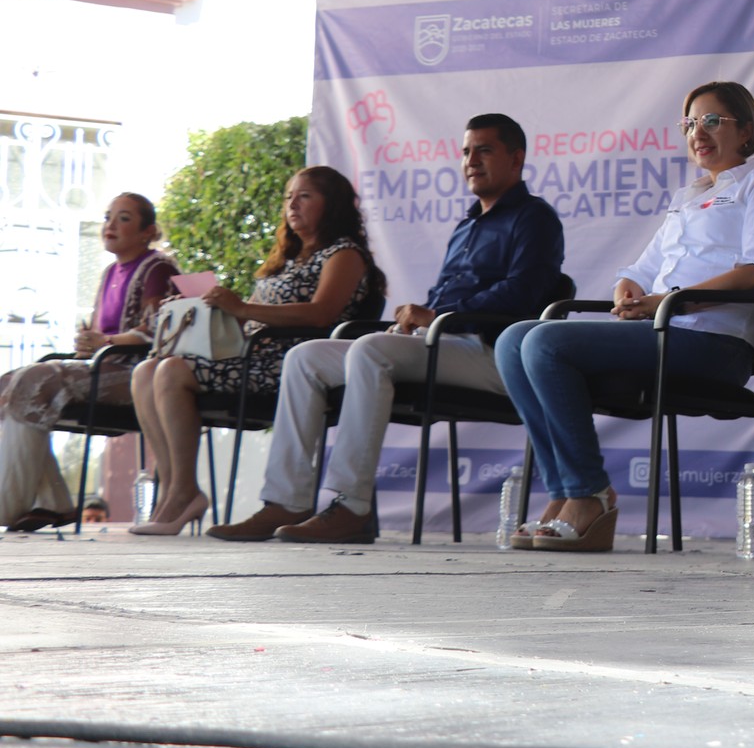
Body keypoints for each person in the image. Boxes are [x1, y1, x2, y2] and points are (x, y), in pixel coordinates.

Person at [209, 115, 564, 544]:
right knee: (305, 357)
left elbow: (525, 293)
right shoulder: (466, 226)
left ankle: (351, 505)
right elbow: (441, 299)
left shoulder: (534, 218)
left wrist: (437, 318)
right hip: (444, 343)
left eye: (484, 150)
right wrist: (417, 322)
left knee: (371, 349)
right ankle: (286, 500)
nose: (471, 160)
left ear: (516, 158)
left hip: (494, 352)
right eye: (467, 151)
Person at [494, 82, 754, 554]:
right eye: (691, 123)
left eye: (713, 121)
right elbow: (640, 268)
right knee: (514, 340)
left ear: (747, 131)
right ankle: (565, 490)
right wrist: (628, 288)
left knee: (545, 343)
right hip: (665, 332)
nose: (699, 132)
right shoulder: (688, 196)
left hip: (716, 344)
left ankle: (588, 494)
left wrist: (669, 299)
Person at [127, 167, 386, 536]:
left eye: (305, 196)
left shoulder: (344, 254)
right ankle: (174, 487)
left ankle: (185, 491)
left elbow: (321, 313)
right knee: (146, 371)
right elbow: (247, 322)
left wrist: (243, 309)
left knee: (171, 372)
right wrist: (208, 309)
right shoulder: (285, 259)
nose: (292, 204)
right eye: (288, 197)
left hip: (297, 363)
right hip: (253, 355)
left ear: (333, 205)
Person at [0, 194, 177, 529]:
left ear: (147, 231)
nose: (110, 224)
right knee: (10, 382)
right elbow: (98, 334)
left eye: (123, 218)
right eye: (108, 216)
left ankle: (11, 505)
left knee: (30, 381)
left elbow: (158, 330)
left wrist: (105, 342)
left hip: (137, 373)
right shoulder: (111, 271)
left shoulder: (158, 267)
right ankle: (50, 502)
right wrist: (88, 343)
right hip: (102, 366)